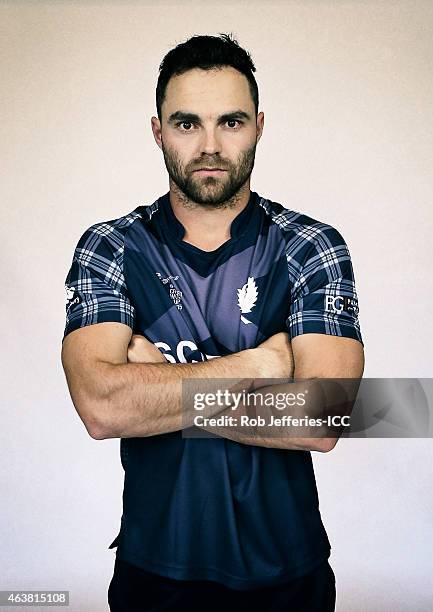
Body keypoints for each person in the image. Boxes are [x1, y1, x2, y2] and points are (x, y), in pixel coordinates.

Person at [61, 33, 364, 612]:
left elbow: (325, 416)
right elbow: (101, 409)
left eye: (230, 122)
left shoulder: (310, 246)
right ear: (157, 130)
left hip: (288, 574)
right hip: (154, 571)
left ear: (259, 126)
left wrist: (156, 390)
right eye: (185, 123)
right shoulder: (111, 248)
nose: (208, 145)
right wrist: (260, 366)